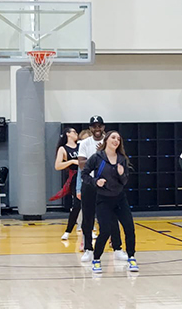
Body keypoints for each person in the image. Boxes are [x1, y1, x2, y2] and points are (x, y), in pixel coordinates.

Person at [82, 131, 138, 273]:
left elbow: (124, 181)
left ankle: (131, 257)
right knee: (105, 231)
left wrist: (121, 173)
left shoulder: (122, 159)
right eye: (113, 137)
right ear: (106, 140)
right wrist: (96, 181)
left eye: (118, 138)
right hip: (103, 199)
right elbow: (84, 174)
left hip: (120, 198)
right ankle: (96, 259)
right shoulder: (97, 158)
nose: (116, 140)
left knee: (129, 228)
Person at [78, 115, 123, 261]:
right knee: (88, 217)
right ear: (90, 128)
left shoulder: (109, 141)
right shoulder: (85, 143)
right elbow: (81, 164)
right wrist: (97, 157)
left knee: (112, 216)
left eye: (99, 126)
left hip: (107, 184)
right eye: (94, 126)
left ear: (103, 127)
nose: (97, 129)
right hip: (90, 183)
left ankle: (117, 248)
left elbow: (118, 159)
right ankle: (88, 249)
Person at [53, 127, 81, 241]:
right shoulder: (63, 149)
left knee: (88, 205)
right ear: (68, 134)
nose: (76, 133)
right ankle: (68, 231)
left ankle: (88, 229)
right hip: (74, 177)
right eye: (74, 132)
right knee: (77, 205)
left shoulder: (81, 145)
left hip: (85, 175)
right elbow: (57, 166)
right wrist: (72, 161)